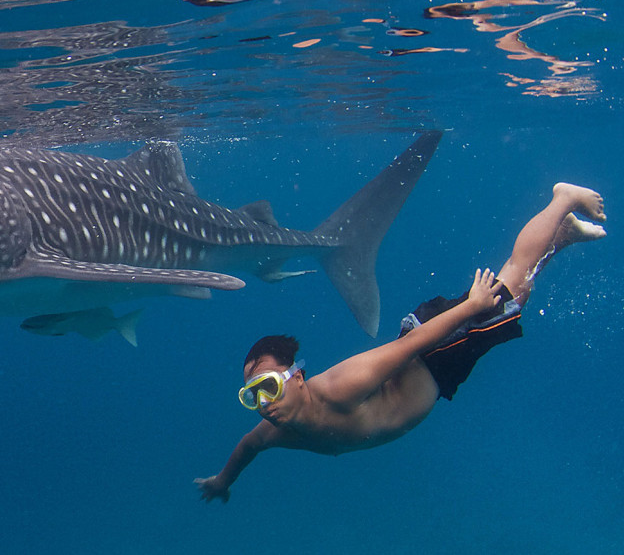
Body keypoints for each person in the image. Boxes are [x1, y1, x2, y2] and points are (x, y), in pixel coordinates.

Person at [195, 182, 606, 503]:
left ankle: (561, 200)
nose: (264, 403)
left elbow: (413, 345)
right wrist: (222, 481)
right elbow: (247, 447)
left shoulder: (343, 385)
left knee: (513, 287)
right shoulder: (275, 431)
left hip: (433, 349)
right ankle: (562, 235)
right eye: (252, 396)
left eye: (269, 387)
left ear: (297, 377)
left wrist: (472, 307)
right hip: (436, 372)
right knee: (518, 293)